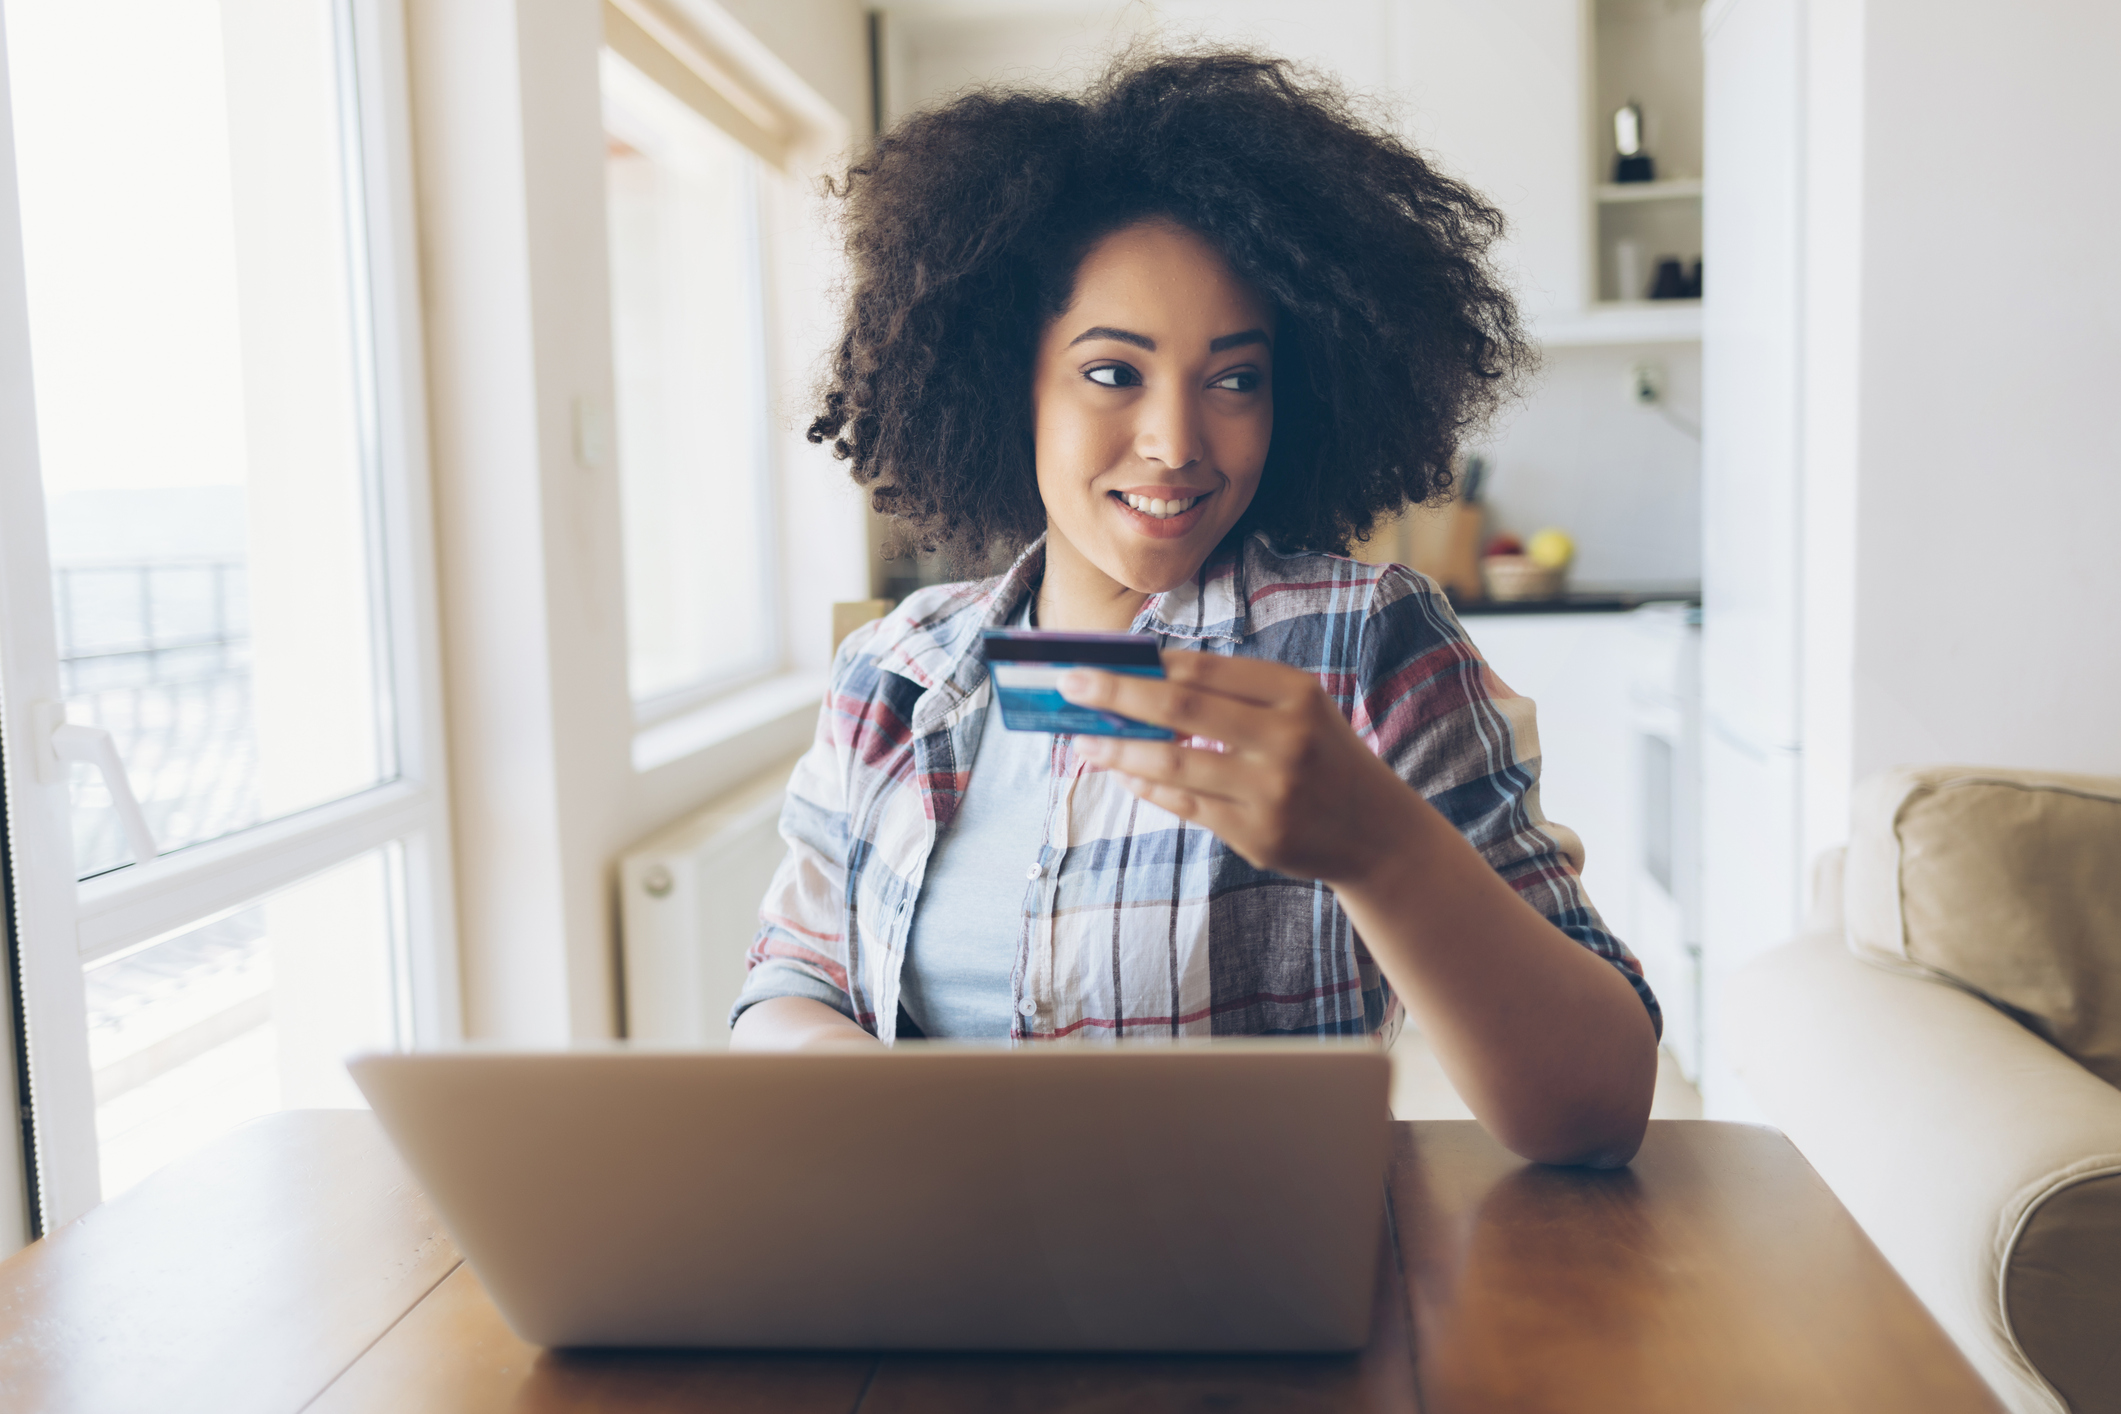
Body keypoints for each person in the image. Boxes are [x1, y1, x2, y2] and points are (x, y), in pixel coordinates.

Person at [731, 50, 1660, 1166]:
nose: (1176, 443)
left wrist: (1381, 849)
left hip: (1253, 1314)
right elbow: (789, 982)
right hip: (927, 1293)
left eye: (1234, 378)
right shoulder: (895, 666)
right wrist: (876, 1104)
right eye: (1114, 373)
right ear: (1004, 378)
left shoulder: (1365, 640)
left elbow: (1601, 1112)